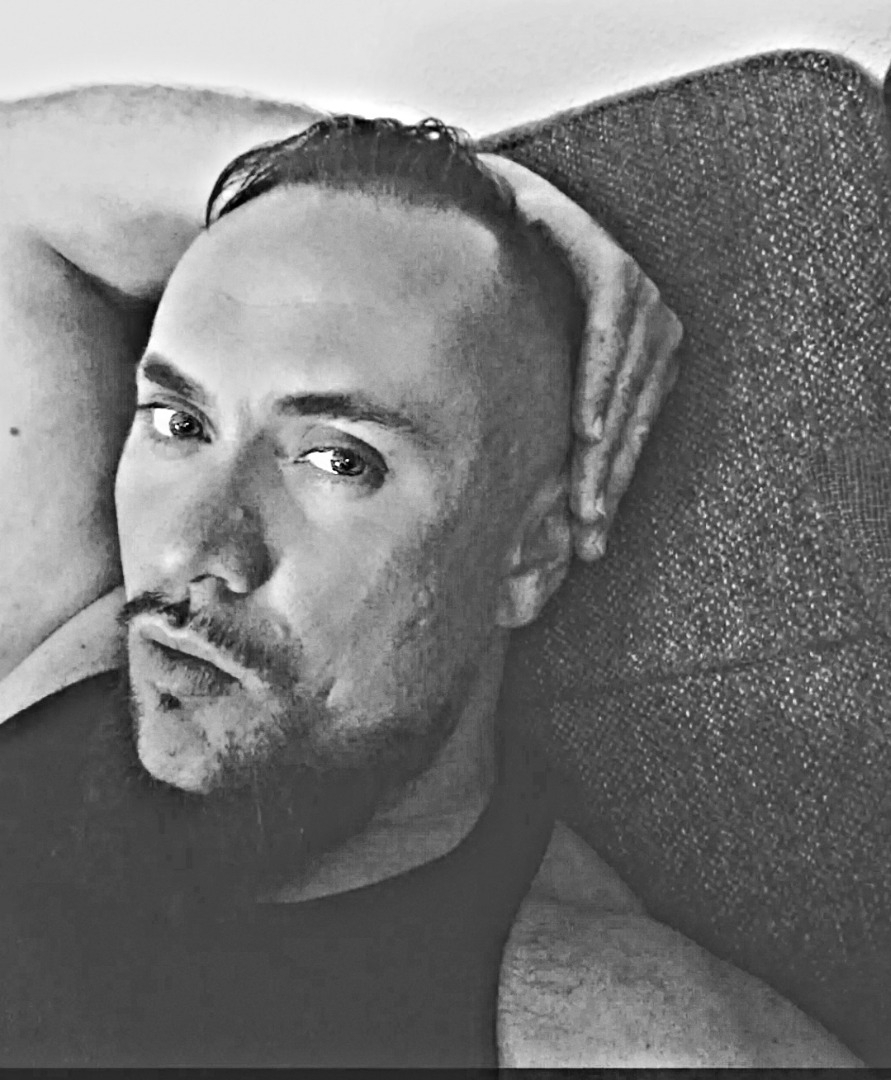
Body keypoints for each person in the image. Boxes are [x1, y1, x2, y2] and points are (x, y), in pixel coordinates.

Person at [0, 89, 860, 1068]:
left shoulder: (601, 1029)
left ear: (530, 553)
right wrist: (490, 196)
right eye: (179, 423)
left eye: (337, 460)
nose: (185, 551)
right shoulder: (70, 657)